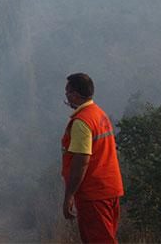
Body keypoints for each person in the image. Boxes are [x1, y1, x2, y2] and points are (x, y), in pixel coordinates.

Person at [62, 73, 123, 243]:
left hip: (94, 193)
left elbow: (81, 161)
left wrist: (69, 195)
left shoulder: (82, 121)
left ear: (74, 95)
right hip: (110, 188)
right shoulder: (99, 114)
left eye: (67, 92)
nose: (66, 96)